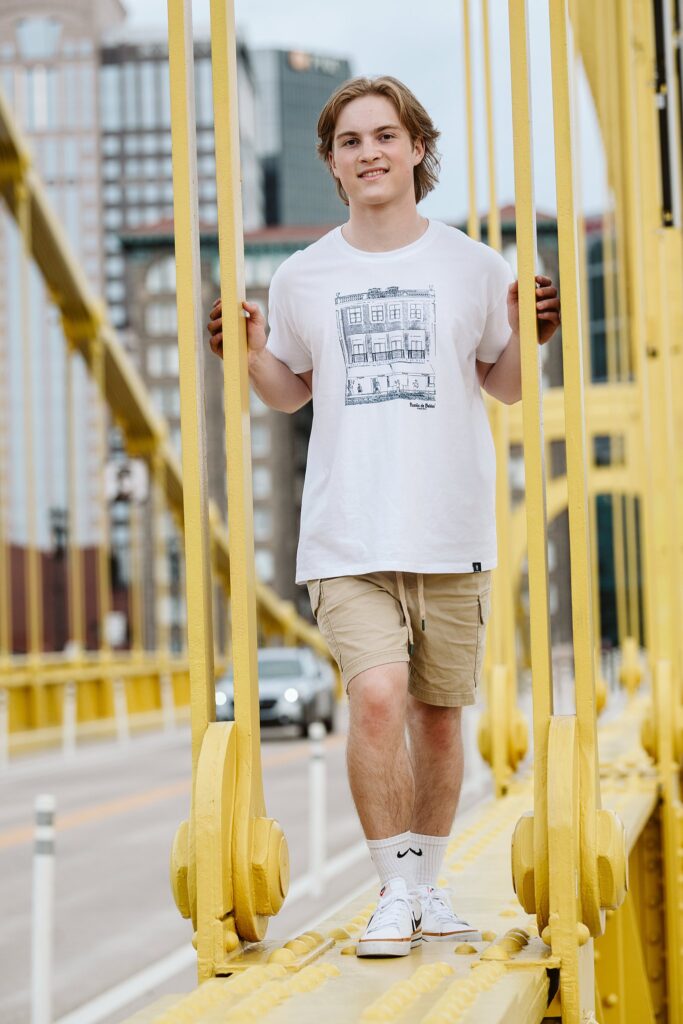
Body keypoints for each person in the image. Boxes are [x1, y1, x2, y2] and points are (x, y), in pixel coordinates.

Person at [208, 75, 560, 958]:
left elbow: (506, 385)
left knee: (439, 717)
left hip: (449, 528)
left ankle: (427, 884)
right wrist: (251, 356)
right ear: (331, 163)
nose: (368, 152)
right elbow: (290, 395)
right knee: (375, 698)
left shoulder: (474, 265)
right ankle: (394, 890)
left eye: (384, 135)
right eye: (349, 141)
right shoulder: (302, 275)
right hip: (348, 532)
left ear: (415, 149)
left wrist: (528, 336)